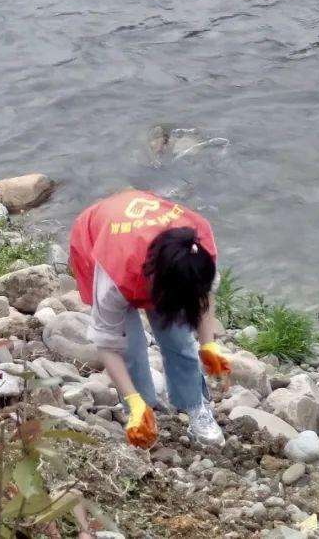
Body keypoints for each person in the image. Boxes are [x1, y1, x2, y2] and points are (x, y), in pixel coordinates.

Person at [69, 189, 230, 449]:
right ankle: (140, 412)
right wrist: (133, 398)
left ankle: (195, 406)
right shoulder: (113, 275)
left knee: (180, 341)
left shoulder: (197, 250)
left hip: (152, 254)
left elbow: (204, 294)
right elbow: (108, 344)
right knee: (130, 348)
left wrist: (208, 344)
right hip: (101, 240)